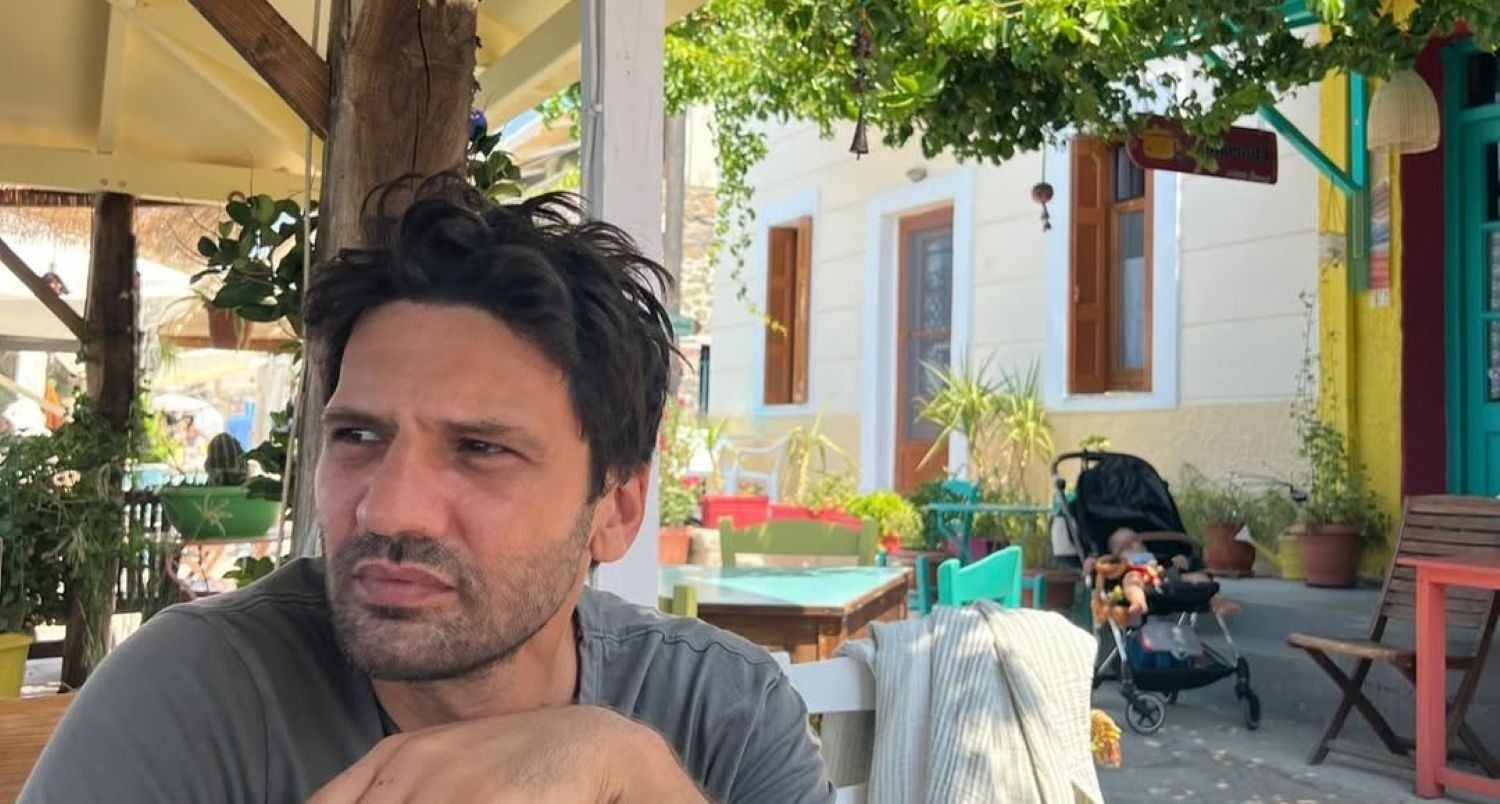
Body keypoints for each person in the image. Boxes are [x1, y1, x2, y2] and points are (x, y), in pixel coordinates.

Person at [20, 177, 835, 804]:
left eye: (480, 450)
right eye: (358, 437)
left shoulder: (717, 711)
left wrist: (631, 773)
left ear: (616, 509)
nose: (386, 509)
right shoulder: (194, 695)